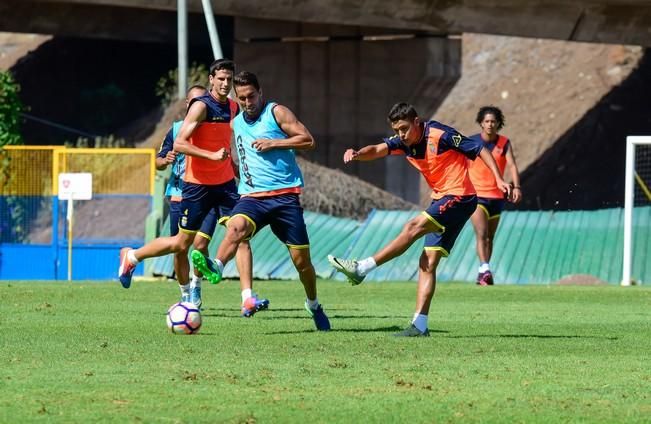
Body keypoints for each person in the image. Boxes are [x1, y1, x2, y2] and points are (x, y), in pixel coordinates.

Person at [327, 102, 511, 337]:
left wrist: (499, 180)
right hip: (441, 200)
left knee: (412, 226)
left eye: (404, 128)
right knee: (427, 263)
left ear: (417, 122)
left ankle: (362, 267)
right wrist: (357, 154)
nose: (400, 135)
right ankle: (419, 325)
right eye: (396, 131)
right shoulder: (403, 142)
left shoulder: (440, 135)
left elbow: (479, 149)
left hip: (460, 197)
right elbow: (377, 149)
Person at [118, 59, 269, 317]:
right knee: (181, 244)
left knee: (241, 234)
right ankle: (132, 256)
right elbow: (180, 144)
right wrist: (211, 156)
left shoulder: (233, 107)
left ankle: (247, 299)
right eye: (220, 78)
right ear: (211, 79)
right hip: (197, 187)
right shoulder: (201, 106)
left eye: (228, 80)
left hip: (224, 186)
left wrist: (237, 168)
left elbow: (230, 142)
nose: (224, 84)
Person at [190, 71, 331, 331]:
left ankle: (313, 304)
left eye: (251, 96)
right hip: (252, 197)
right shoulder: (235, 120)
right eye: (242, 98)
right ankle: (217, 266)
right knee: (235, 227)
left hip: (285, 198)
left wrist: (274, 143)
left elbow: (309, 140)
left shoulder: (276, 112)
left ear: (260, 92)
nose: (247, 102)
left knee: (302, 263)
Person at [467, 106, 522, 286]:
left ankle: (483, 271)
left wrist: (516, 187)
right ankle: (485, 269)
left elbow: (512, 165)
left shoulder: (504, 143)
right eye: (487, 121)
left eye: (493, 121)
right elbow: (459, 164)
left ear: (498, 123)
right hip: (477, 196)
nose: (490, 124)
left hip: (497, 196)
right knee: (481, 233)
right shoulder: (472, 142)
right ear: (481, 123)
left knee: (490, 236)